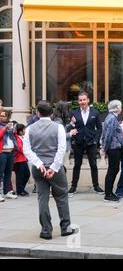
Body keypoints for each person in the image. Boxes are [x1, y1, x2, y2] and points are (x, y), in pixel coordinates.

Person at [23, 100, 76, 240]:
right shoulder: (58, 127)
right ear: (52, 113)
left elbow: (26, 150)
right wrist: (53, 167)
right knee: (62, 196)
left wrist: (39, 164)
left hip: (38, 168)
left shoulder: (29, 129)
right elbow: (61, 149)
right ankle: (65, 227)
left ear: (37, 113)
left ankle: (46, 230)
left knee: (42, 198)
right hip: (55, 168)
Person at [69, 92, 104, 195]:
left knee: (93, 165)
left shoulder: (95, 112)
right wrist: (73, 139)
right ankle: (73, 187)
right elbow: (71, 127)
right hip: (78, 143)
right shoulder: (74, 113)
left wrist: (96, 140)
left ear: (88, 100)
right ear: (78, 101)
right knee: (77, 165)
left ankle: (96, 186)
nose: (82, 102)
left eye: (84, 100)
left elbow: (99, 128)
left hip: (91, 143)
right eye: (80, 100)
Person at [101, 100, 123, 202]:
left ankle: (110, 192)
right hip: (113, 148)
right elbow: (108, 135)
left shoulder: (112, 117)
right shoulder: (112, 118)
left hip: (115, 147)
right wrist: (104, 148)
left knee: (114, 169)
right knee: (112, 170)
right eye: (120, 106)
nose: (121, 108)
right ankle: (108, 194)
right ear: (116, 108)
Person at [0, 109, 18, 201]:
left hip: (10, 152)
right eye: (1, 115)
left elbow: (14, 138)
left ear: (8, 117)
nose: (1, 117)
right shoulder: (2, 126)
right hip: (2, 152)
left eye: (3, 116)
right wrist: (5, 128)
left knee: (8, 173)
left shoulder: (9, 125)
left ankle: (6, 192)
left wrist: (13, 130)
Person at [13, 124, 31, 197]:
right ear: (20, 131)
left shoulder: (22, 137)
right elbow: (20, 148)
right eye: (24, 129)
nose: (25, 130)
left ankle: (21, 189)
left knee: (27, 174)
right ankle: (20, 190)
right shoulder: (17, 138)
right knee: (20, 176)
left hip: (23, 159)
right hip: (19, 159)